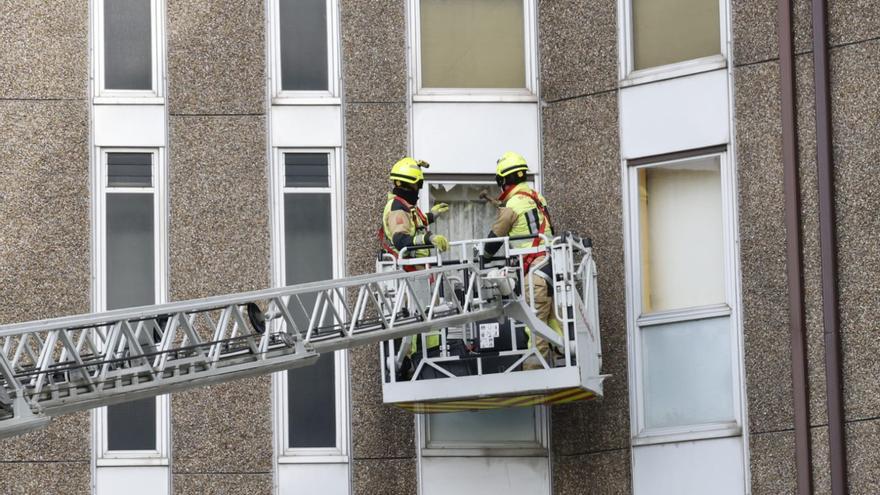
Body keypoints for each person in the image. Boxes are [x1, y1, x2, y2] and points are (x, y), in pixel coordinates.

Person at [482, 151, 561, 370]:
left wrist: (483, 256)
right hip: (551, 267)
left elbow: (495, 237)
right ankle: (563, 351)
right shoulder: (536, 197)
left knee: (534, 323)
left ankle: (534, 368)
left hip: (534, 272)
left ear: (504, 180)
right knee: (550, 318)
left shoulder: (513, 205)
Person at [378, 157, 450, 376]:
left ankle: (430, 359)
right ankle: (419, 363)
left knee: (430, 317)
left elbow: (415, 226)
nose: (419, 190)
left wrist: (432, 216)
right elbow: (401, 239)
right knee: (420, 321)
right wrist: (430, 238)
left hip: (420, 271)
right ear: (406, 185)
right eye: (418, 185)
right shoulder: (397, 209)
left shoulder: (407, 207)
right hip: (412, 273)